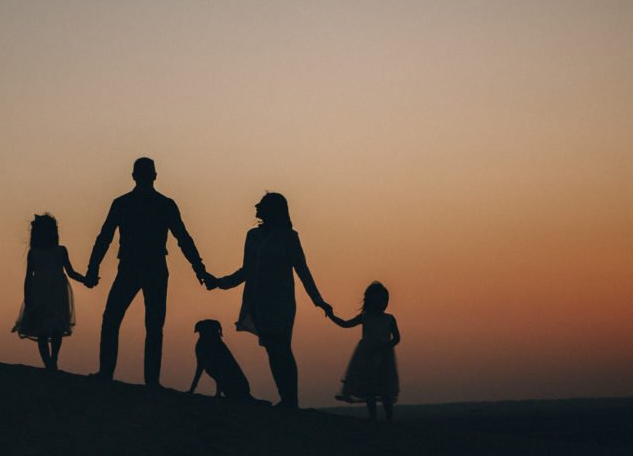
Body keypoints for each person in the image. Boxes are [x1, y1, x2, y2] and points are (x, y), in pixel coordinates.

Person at [84, 157, 209, 387]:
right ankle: (149, 380)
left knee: (115, 319)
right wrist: (199, 269)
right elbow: (183, 239)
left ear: (134, 176)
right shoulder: (163, 204)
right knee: (150, 325)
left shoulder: (124, 203)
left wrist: (93, 268)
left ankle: (110, 373)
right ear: (154, 176)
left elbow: (104, 238)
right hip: (150, 267)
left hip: (135, 267)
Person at [206, 192, 331, 409]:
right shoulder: (253, 236)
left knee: (282, 347)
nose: (257, 207)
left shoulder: (289, 237)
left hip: (281, 301)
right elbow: (246, 270)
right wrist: (220, 283)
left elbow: (302, 270)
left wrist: (318, 300)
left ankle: (291, 399)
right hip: (259, 302)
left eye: (262, 205)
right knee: (273, 350)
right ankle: (287, 398)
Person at [12, 214, 87, 371]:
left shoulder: (59, 251)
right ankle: (50, 363)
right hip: (41, 292)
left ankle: (52, 360)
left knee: (55, 327)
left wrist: (85, 280)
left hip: (55, 292)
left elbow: (71, 272)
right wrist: (27, 296)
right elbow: (28, 276)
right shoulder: (35, 253)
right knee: (44, 329)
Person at [328, 281, 401, 421]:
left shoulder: (390, 319)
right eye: (378, 300)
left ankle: (389, 417)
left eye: (384, 300)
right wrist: (331, 315)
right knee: (369, 387)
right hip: (366, 357)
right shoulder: (365, 317)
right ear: (370, 301)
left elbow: (397, 338)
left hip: (384, 357)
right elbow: (345, 324)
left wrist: (386, 346)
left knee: (385, 388)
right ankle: (373, 416)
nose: (381, 303)